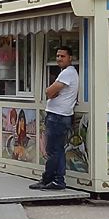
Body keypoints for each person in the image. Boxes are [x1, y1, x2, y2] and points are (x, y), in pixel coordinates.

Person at [29, 46, 78, 191]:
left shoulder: (67, 73)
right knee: (57, 150)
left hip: (58, 115)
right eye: (57, 56)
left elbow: (49, 92)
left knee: (53, 150)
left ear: (70, 58)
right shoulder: (68, 73)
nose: (59, 59)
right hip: (61, 115)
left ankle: (51, 179)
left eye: (62, 56)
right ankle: (54, 179)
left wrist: (51, 92)